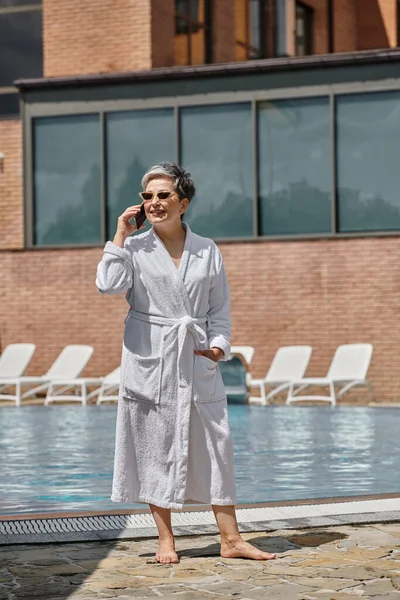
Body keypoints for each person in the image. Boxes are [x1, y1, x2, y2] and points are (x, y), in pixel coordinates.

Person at [96, 162, 276, 564]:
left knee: (217, 444)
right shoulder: (135, 248)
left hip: (195, 357)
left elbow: (219, 307)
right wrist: (120, 236)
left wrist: (218, 346)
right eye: (148, 196)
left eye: (164, 196)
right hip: (151, 356)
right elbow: (108, 285)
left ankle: (231, 540)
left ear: (183, 203)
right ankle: (165, 540)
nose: (154, 203)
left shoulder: (206, 249)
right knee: (152, 445)